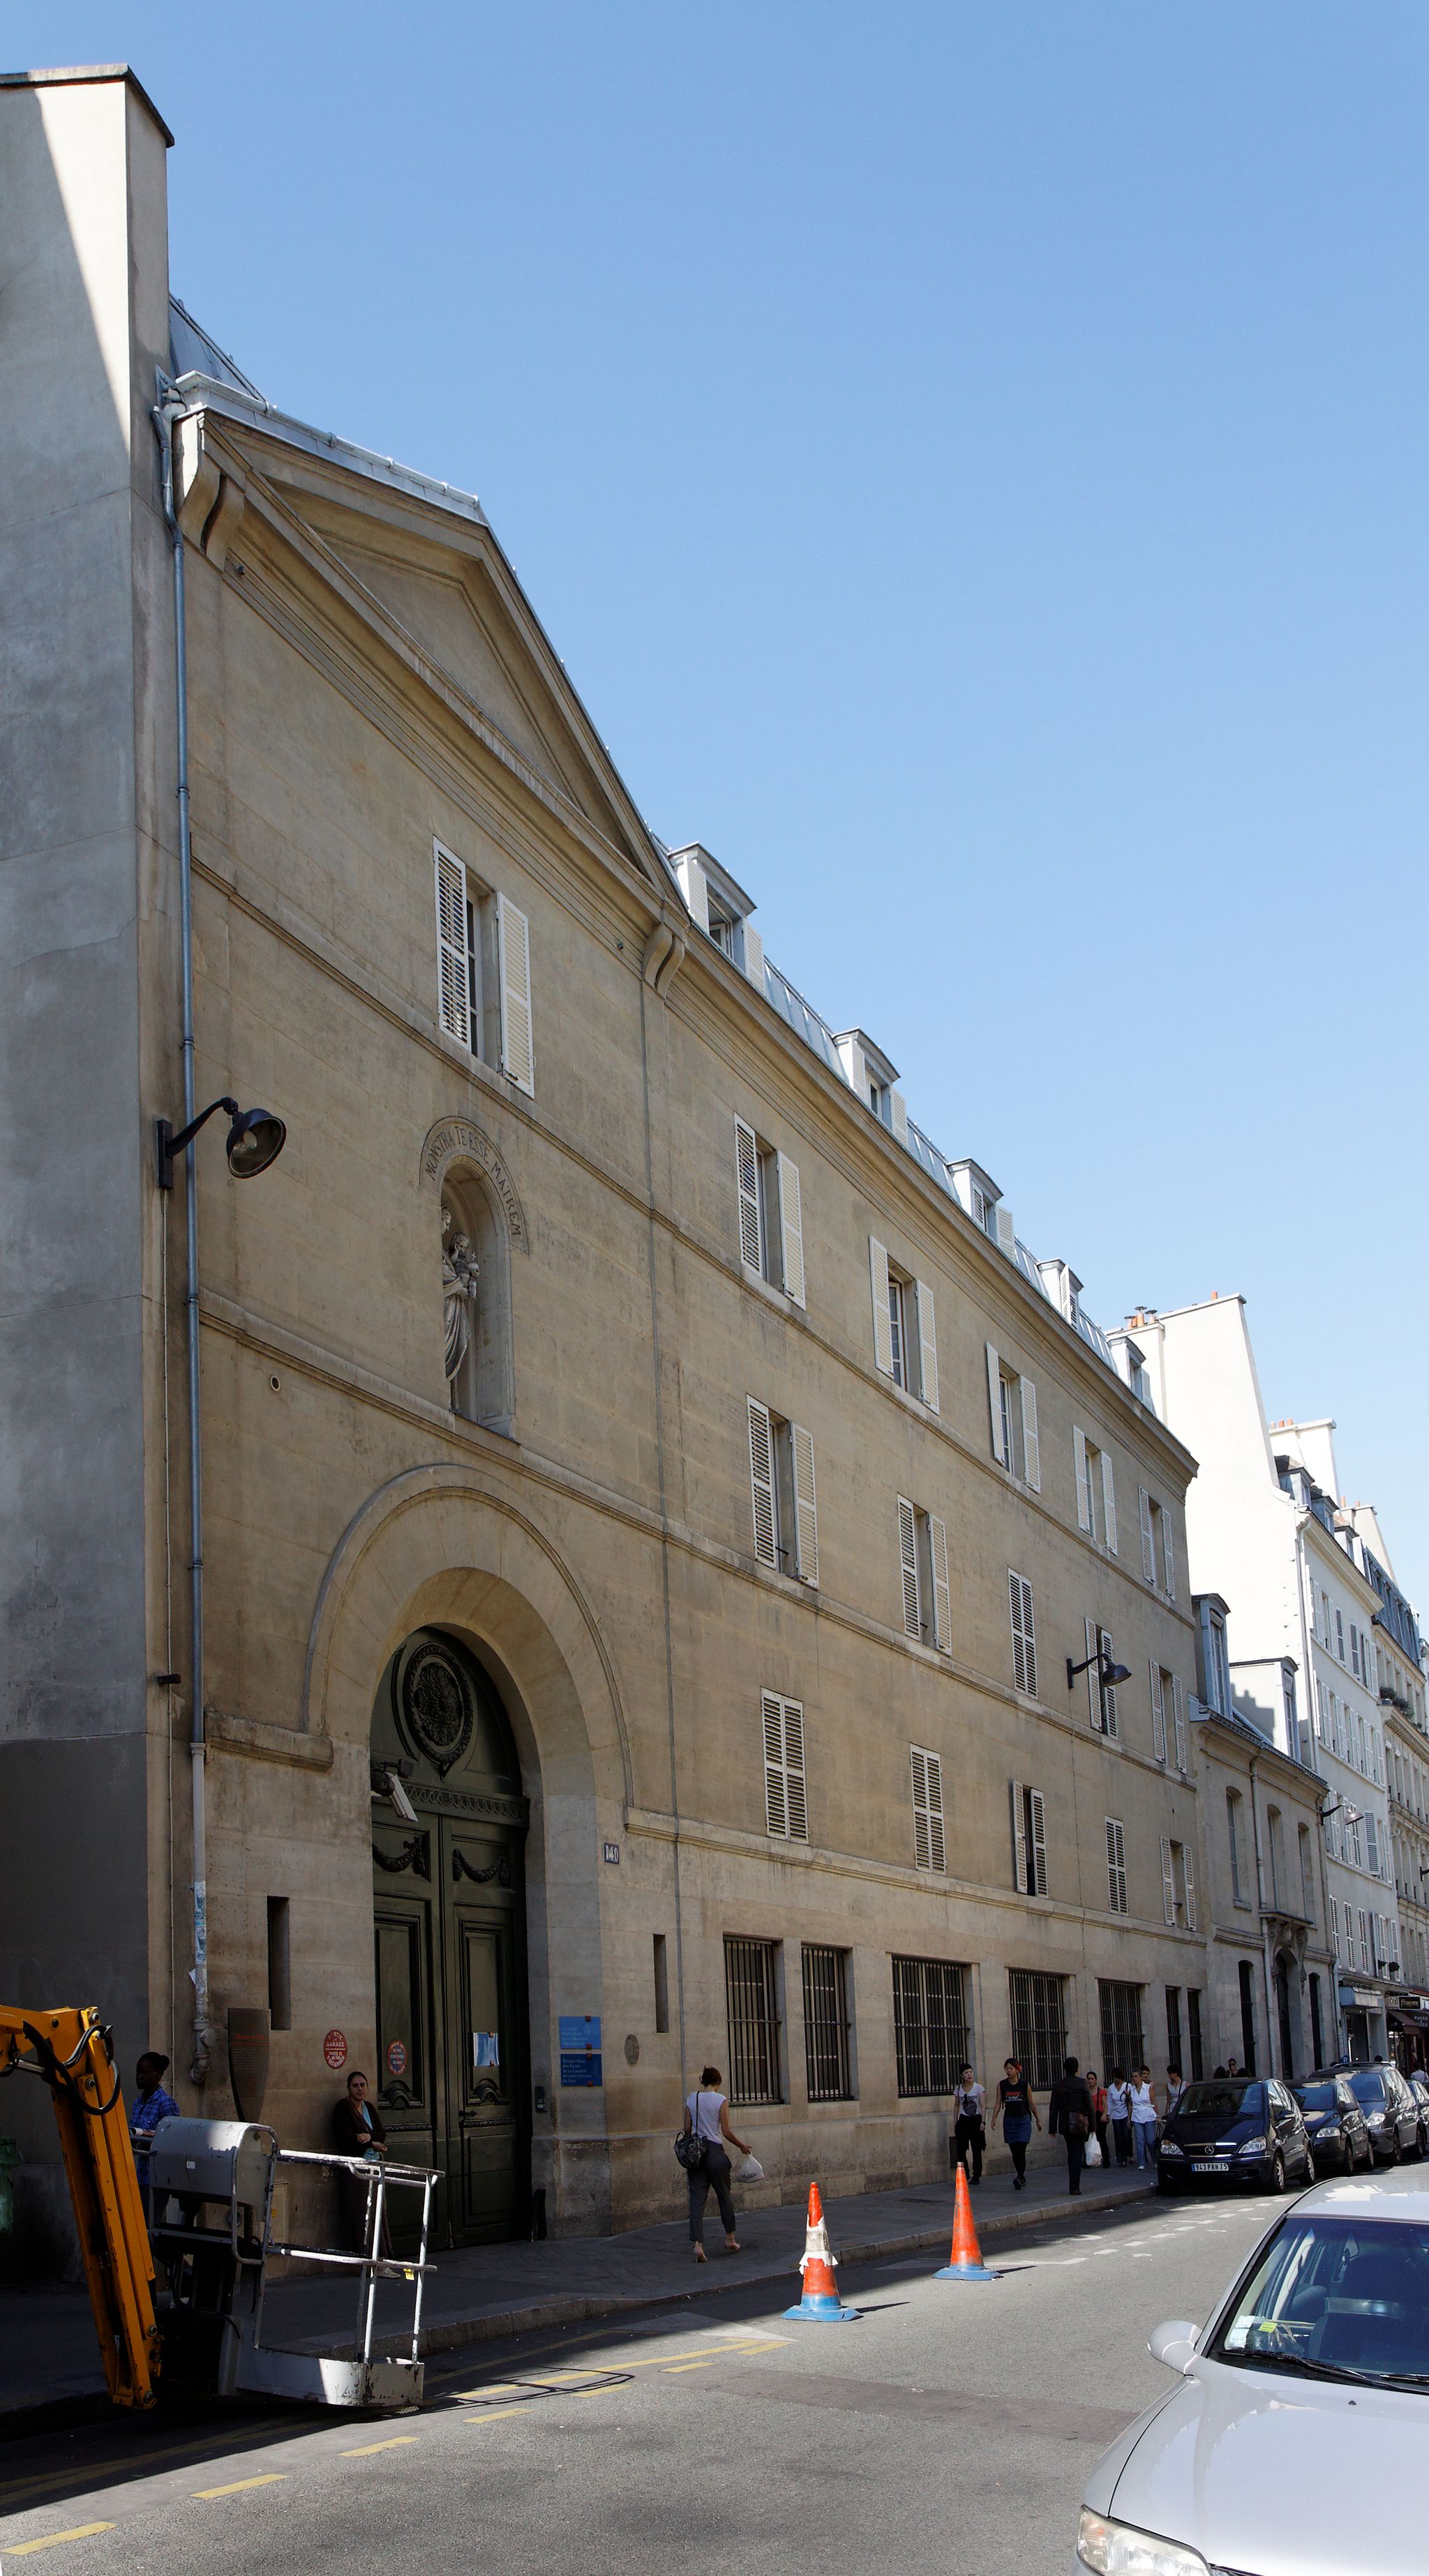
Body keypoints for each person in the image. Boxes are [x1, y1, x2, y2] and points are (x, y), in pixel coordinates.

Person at [682, 2065, 749, 2262]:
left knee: (697, 2199)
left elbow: (686, 2129)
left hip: (697, 2154)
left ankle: (698, 2245)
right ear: (718, 2082)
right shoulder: (721, 2100)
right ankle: (730, 2238)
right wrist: (742, 2146)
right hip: (714, 2152)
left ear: (703, 2081)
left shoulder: (691, 2098)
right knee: (724, 2196)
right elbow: (726, 2131)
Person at [332, 2069, 389, 2251]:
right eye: (355, 2086)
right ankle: (364, 2257)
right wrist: (372, 2144)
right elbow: (347, 2140)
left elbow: (382, 2133)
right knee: (360, 2215)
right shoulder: (343, 2108)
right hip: (357, 2169)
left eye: (362, 2085)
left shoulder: (369, 2107)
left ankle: (380, 2256)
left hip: (374, 2166)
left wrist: (369, 2138)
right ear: (348, 2088)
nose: (359, 2089)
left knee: (377, 2213)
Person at [1048, 2055, 1096, 2195]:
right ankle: (1074, 2185)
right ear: (1076, 2069)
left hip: (1065, 2124)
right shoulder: (1082, 2084)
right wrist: (1093, 2125)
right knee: (1077, 2153)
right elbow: (1090, 2106)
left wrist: (1052, 2128)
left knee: (1072, 2152)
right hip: (1079, 2123)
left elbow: (1053, 2108)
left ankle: (1073, 2183)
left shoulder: (1059, 2085)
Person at [990, 2055, 1040, 2188]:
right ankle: (1020, 2175)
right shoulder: (1002, 2085)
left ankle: (1020, 2176)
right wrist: (994, 2118)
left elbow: (1031, 2103)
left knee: (1021, 2148)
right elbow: (998, 2102)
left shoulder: (1024, 2085)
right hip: (1009, 2120)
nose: (1009, 2071)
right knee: (1014, 2150)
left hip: (1023, 2119)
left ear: (1017, 2070)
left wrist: (1037, 2119)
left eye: (1011, 2068)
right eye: (1007, 2069)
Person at [130, 2052, 180, 2139]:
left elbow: (172, 2136)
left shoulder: (165, 2102)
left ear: (158, 2074)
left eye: (144, 2073)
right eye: (138, 2073)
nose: (139, 2077)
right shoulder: (138, 2103)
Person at [951, 2065, 987, 2185]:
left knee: (976, 2149)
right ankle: (964, 2174)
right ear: (962, 2075)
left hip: (976, 2119)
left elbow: (983, 2105)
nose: (969, 2074)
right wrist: (955, 2121)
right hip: (963, 2120)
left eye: (971, 2072)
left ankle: (976, 2174)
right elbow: (956, 2105)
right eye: (966, 2073)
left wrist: (983, 2121)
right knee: (961, 2149)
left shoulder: (978, 2088)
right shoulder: (959, 2089)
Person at [1129, 2066, 1159, 2170]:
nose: (1134, 2079)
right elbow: (1131, 2104)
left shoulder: (1148, 2088)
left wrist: (1157, 2115)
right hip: (1136, 2116)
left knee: (1150, 2140)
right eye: (1133, 2077)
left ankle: (1155, 2159)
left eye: (1136, 2076)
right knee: (1139, 2140)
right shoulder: (1131, 2089)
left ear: (1141, 2077)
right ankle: (1142, 2162)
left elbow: (1154, 2102)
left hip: (1148, 2115)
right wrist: (1129, 2118)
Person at [1107, 2069, 1132, 2166]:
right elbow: (1109, 2101)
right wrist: (1108, 2114)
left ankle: (1127, 2155)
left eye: (1117, 2077)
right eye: (1114, 2077)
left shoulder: (1127, 2086)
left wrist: (1128, 2095)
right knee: (1118, 2136)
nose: (1116, 2079)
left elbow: (1131, 2101)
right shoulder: (1111, 2088)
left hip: (1125, 2114)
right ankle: (1121, 2158)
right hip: (1116, 2115)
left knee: (1126, 2135)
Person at [1086, 2066, 1109, 2167]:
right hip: (1089, 2117)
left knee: (1101, 2138)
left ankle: (1106, 2161)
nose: (1090, 2081)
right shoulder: (1086, 2092)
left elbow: (1106, 2105)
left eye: (1092, 2079)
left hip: (1099, 2116)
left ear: (1096, 2080)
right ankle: (1088, 2161)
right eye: (1089, 2079)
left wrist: (1105, 2115)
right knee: (1087, 2139)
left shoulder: (1101, 2092)